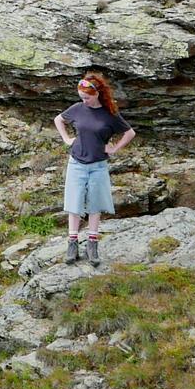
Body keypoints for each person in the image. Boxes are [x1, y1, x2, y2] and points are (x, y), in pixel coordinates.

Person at [54, 72, 135, 265]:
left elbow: (130, 133)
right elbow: (59, 120)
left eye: (87, 97)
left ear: (97, 94)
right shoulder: (77, 109)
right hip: (76, 162)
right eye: (81, 97)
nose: (84, 101)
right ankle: (72, 243)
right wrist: (66, 139)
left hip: (98, 165)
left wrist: (114, 148)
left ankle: (92, 245)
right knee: (74, 203)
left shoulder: (110, 114)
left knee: (95, 205)